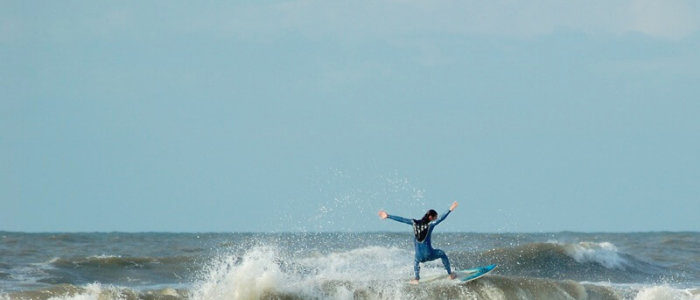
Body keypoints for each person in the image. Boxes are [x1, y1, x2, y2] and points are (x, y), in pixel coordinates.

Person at [378, 201, 458, 284]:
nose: (435, 219)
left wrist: (388, 216)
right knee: (442, 254)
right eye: (435, 218)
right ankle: (450, 274)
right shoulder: (430, 225)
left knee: (416, 259)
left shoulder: (414, 223)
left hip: (419, 257)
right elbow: (441, 218)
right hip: (429, 254)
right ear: (430, 217)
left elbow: (402, 219)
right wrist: (450, 209)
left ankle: (416, 278)